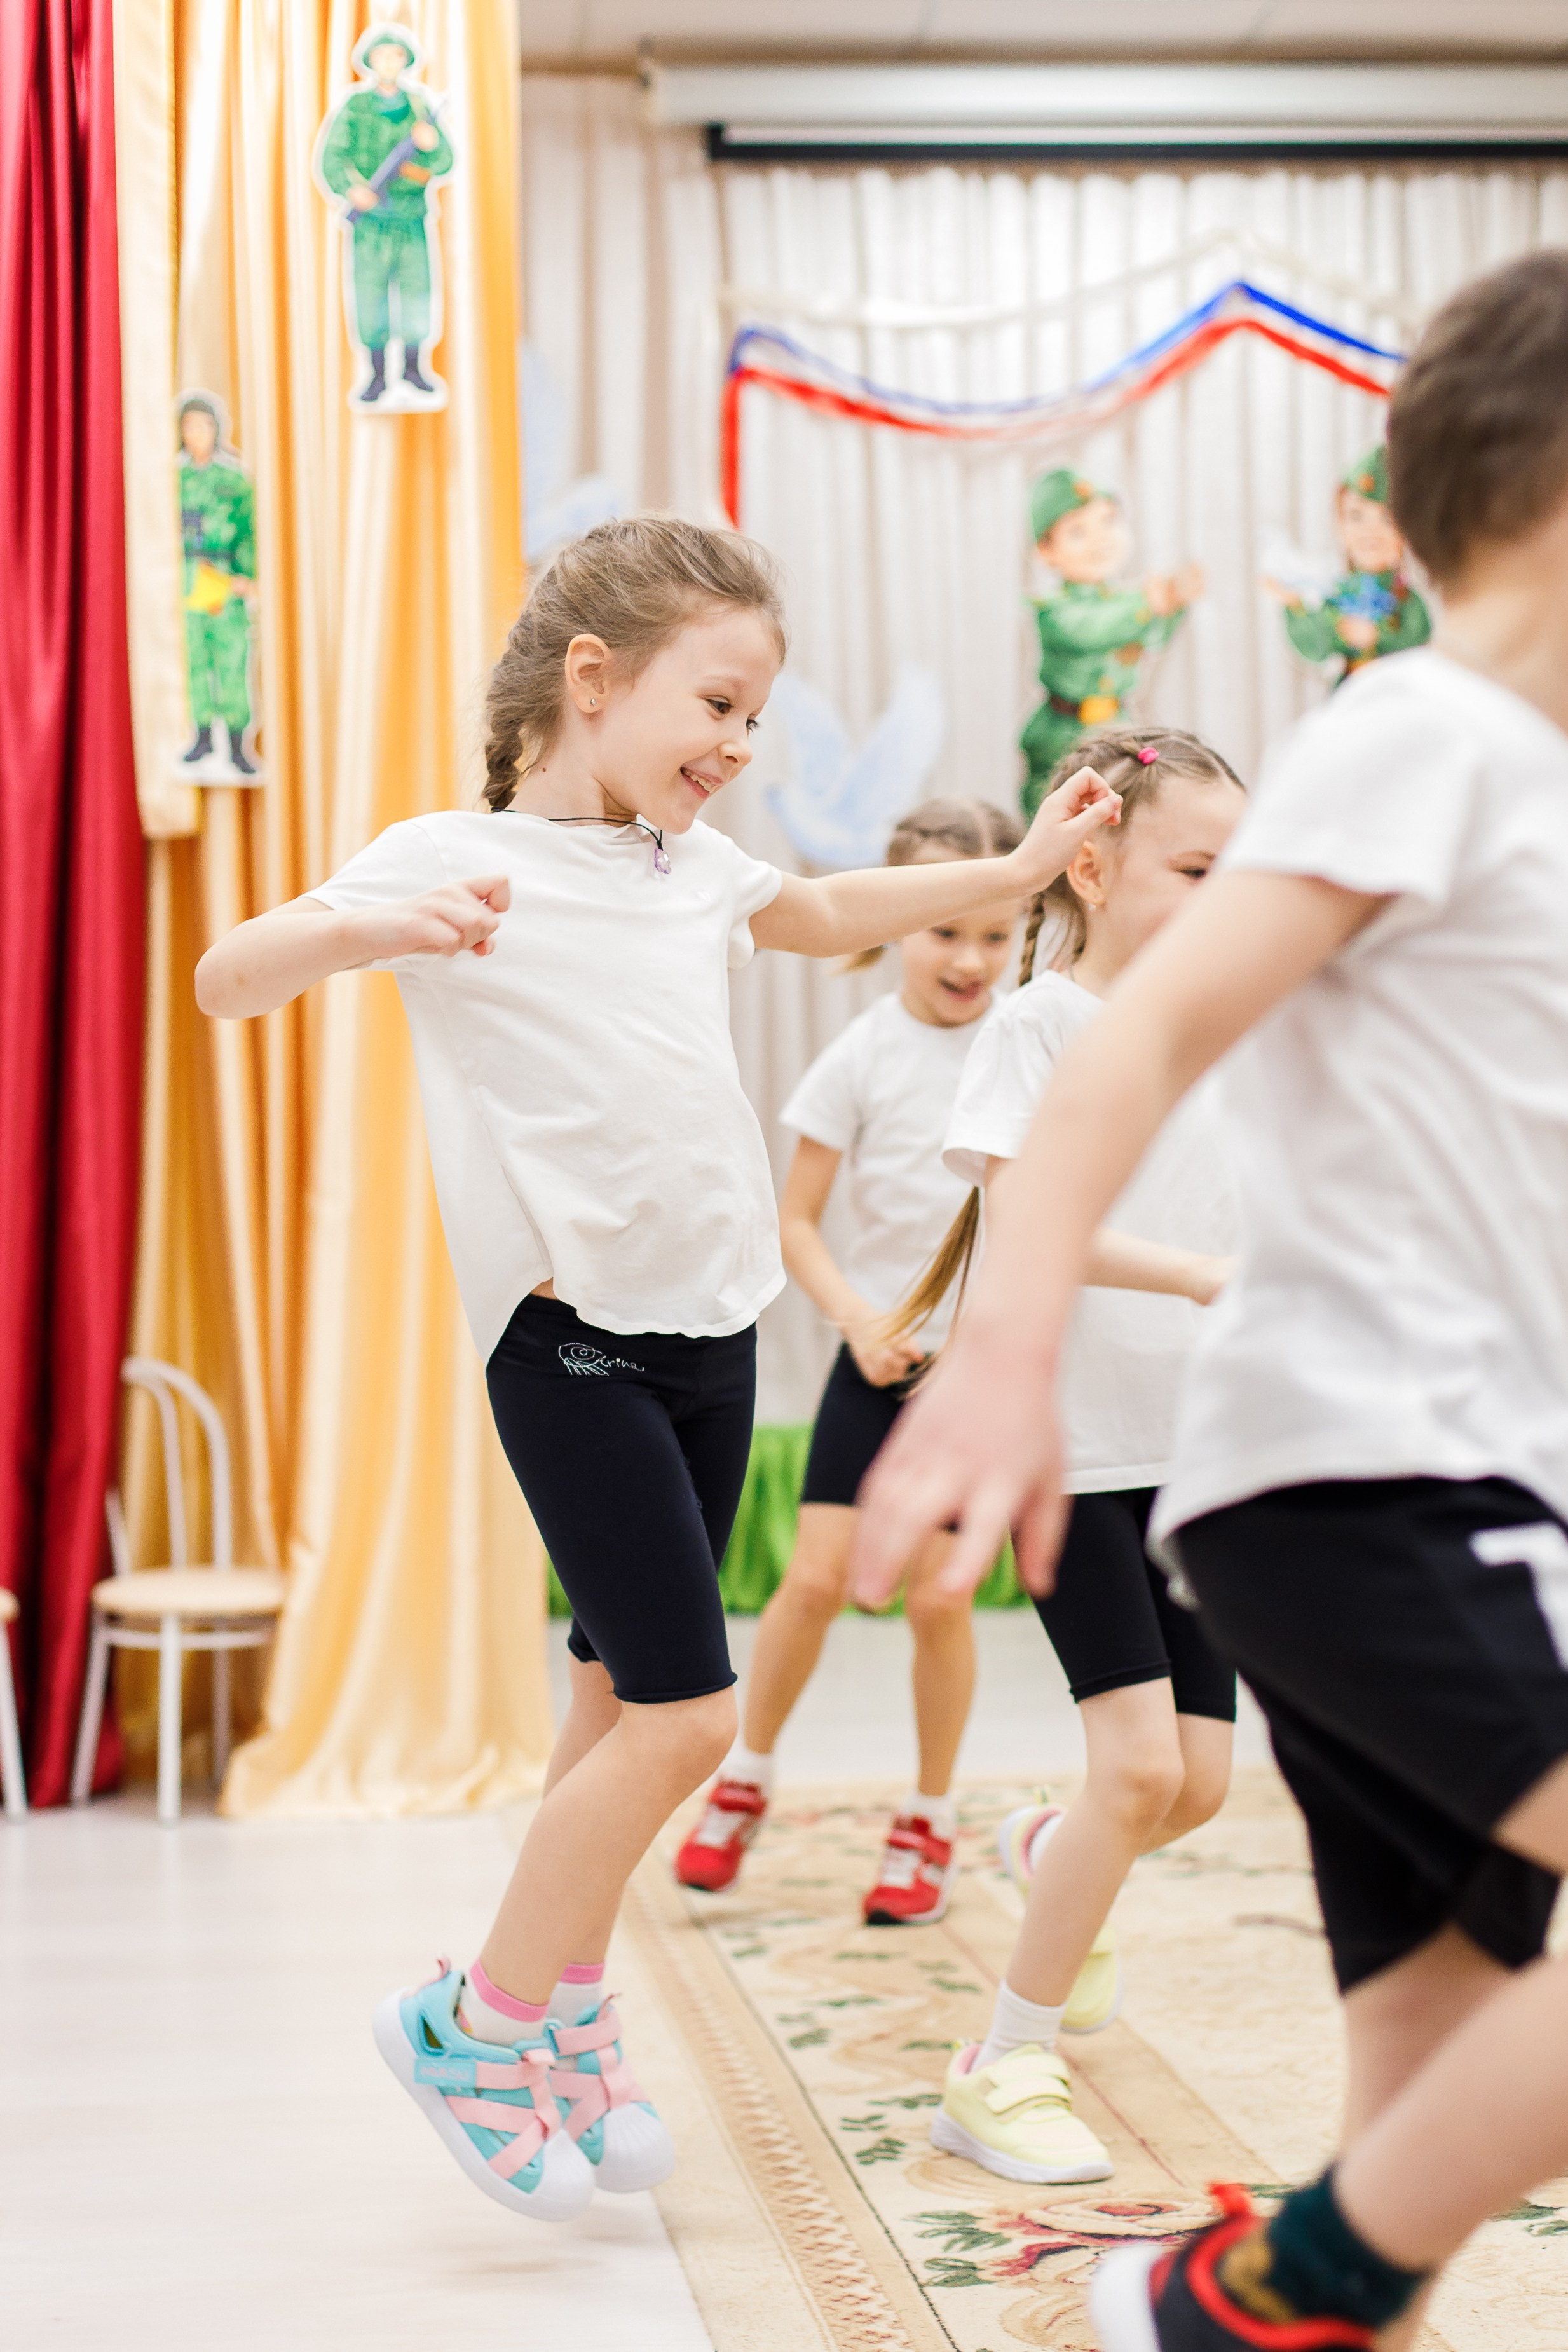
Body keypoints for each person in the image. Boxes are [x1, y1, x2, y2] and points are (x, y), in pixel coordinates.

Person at [194, 516, 1121, 2224]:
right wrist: (381, 923)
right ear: (591, 679)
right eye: (720, 702)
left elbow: (832, 901)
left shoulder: (694, 872)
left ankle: (563, 2021)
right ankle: (469, 2018)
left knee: (614, 1706)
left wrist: (1009, 877)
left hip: (709, 1340)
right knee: (690, 1715)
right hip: (575, 1347)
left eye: (758, 717)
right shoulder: (449, 855)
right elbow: (224, 974)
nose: (740, 746)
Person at [854, 250, 1568, 2351]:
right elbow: (1128, 1046)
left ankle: (1327, 2297)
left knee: (1427, 2067)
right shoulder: (1421, 729)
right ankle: (1255, 2287)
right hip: (1370, 1490)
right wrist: (1003, 1365)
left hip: (1439, 1489)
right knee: (1379, 2192)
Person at [884, 728, 1242, 2187]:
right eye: (1197, 869)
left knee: (1196, 1784)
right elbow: (1033, 1226)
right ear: (1090, 867)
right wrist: (1205, 1277)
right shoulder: (1036, 1025)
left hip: (1199, 1450)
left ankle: (1051, 1856)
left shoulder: (1224, 1019)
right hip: (1077, 1452)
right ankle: (1002, 2060)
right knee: (1136, 1761)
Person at [674, 797, 1025, 1923]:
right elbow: (798, 1225)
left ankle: (927, 1818)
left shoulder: (1030, 1047)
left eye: (992, 932)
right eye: (944, 929)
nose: (969, 957)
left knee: (937, 1603)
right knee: (815, 1583)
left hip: (979, 1386)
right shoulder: (860, 1057)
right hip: (877, 1364)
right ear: (895, 924)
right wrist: (861, 1322)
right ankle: (744, 1777)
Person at [1020, 469, 1201, 814]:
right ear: (1046, 551)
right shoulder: (1053, 610)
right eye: (1077, 532)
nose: (1099, 539)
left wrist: (1172, 606)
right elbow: (1090, 629)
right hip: (1062, 735)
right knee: (1054, 821)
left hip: (1117, 723)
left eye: (1108, 522)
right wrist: (1150, 606)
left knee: (1122, 811)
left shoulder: (1127, 600)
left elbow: (1152, 639)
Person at [315, 27, 454, 406]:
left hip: (410, 220)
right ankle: (376, 374)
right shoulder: (355, 108)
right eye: (381, 56)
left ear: (405, 62)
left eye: (396, 56)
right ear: (371, 62)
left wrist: (431, 145)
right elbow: (331, 159)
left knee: (416, 294)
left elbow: (445, 162)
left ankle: (413, 368)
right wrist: (351, 190)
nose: (389, 63)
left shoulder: (419, 107)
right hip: (372, 223)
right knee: (370, 296)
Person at [1266, 444, 1431, 687]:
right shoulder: (1338, 594)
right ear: (1339, 526)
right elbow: (1317, 650)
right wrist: (1295, 605)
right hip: (1349, 700)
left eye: (1386, 518)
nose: (1370, 531)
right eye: (1356, 516)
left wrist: (1377, 636)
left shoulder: (1406, 599)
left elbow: (1420, 644)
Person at [177, 393, 258, 777]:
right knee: (194, 660)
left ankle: (239, 744)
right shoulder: (175, 480)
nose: (197, 434)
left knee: (231, 661)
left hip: (223, 578)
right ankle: (203, 736)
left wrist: (248, 574)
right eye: (189, 426)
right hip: (187, 577)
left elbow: (248, 531)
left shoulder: (233, 479)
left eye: (204, 425)